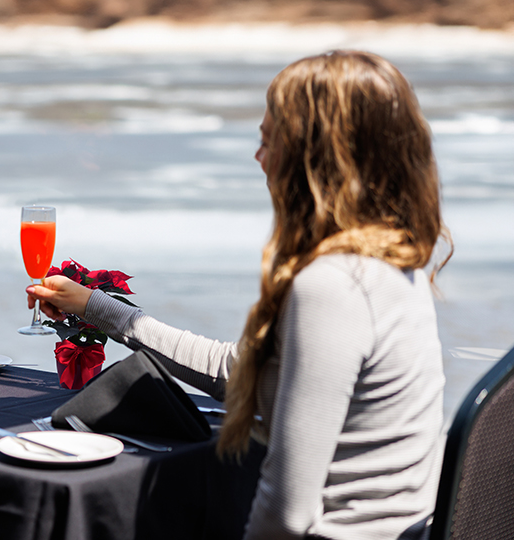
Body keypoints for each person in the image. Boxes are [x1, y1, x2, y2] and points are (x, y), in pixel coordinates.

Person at [27, 50, 451, 540]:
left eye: (269, 141)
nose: (258, 157)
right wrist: (99, 309)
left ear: (313, 159)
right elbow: (243, 373)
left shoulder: (333, 286)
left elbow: (287, 513)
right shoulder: (394, 262)